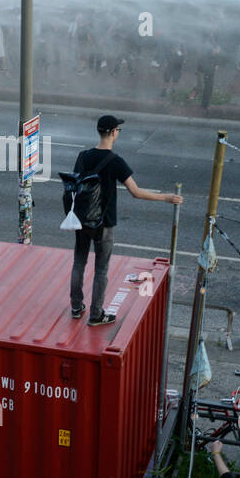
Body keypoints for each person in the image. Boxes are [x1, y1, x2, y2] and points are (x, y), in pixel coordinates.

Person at [70, 116, 182, 325]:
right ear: (113, 132)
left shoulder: (83, 156)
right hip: (104, 223)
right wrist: (166, 198)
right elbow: (136, 192)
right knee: (101, 268)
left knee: (79, 262)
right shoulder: (115, 161)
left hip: (82, 219)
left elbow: (75, 185)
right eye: (119, 130)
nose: (119, 133)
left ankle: (76, 307)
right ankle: (96, 315)